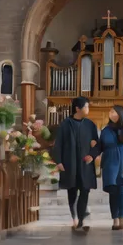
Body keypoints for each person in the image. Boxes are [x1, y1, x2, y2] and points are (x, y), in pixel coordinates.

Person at [51, 97, 100, 231]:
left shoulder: (90, 125)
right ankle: (75, 218)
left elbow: (97, 144)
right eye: (86, 107)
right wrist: (59, 161)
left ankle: (81, 219)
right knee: (72, 191)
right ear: (77, 108)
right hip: (69, 163)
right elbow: (58, 144)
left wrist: (92, 155)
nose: (88, 109)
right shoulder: (65, 124)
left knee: (85, 190)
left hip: (85, 164)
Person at [100, 105, 123, 230]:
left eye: (114, 112)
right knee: (113, 193)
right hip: (110, 165)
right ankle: (115, 219)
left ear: (121, 114)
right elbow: (100, 147)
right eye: (110, 112)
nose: (112, 114)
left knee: (122, 192)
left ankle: (122, 218)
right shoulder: (105, 130)